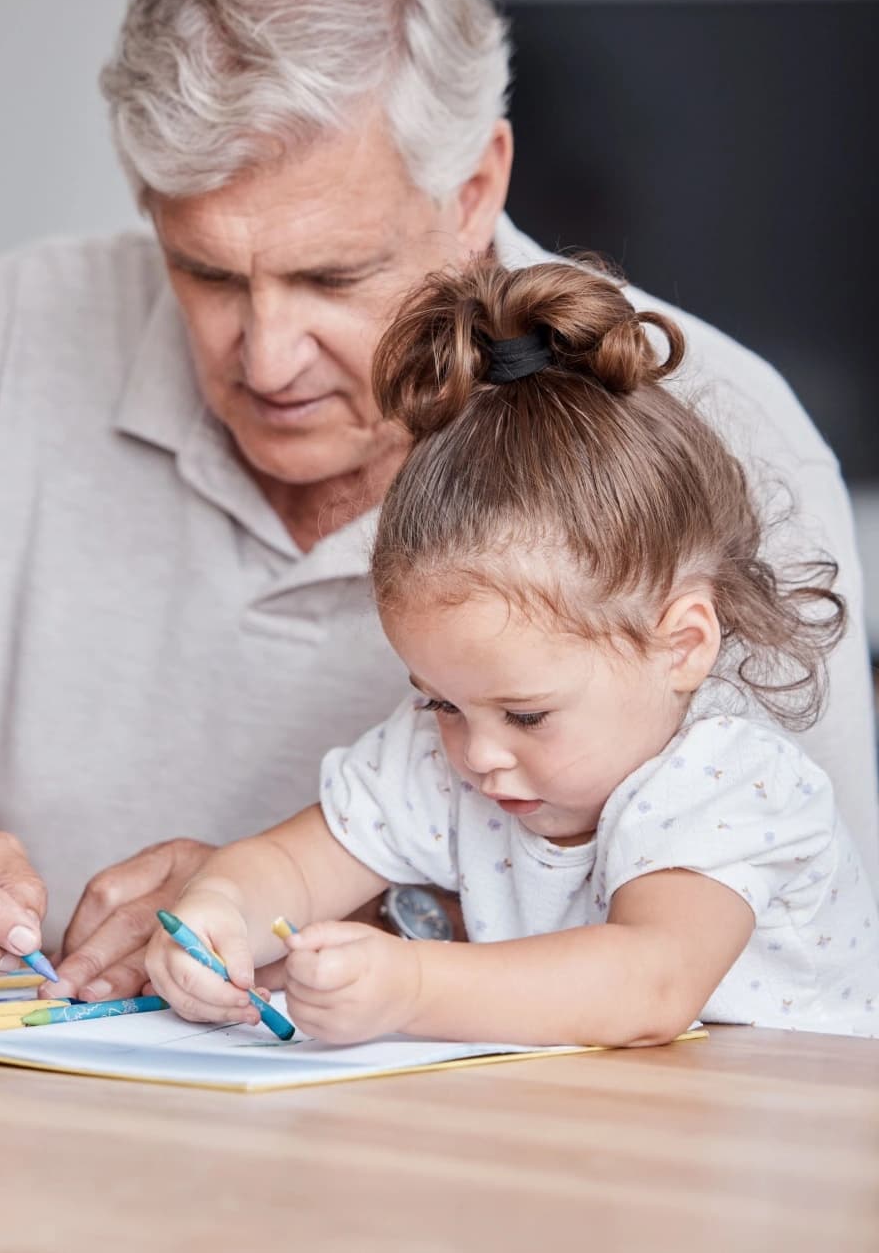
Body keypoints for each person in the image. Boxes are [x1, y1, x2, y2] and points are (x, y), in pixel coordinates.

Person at [0, 0, 878, 1007]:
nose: (262, 358)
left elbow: (761, 961)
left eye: (330, 276)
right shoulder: (4, 336)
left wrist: (356, 931)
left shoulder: (710, 434)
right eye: (204, 271)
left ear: (474, 189)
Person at [147, 257, 879, 1044]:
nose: (478, 753)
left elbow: (649, 984)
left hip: (792, 1141)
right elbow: (287, 870)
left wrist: (411, 987)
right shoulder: (443, 758)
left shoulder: (733, 787)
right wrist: (218, 915)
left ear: (682, 646)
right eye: (439, 701)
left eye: (527, 715)